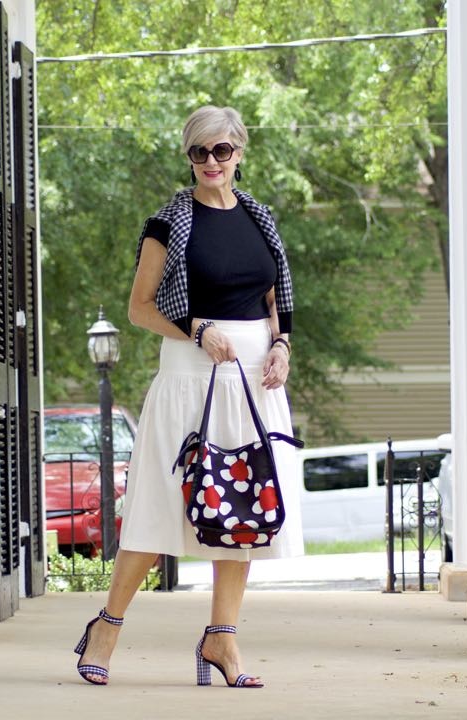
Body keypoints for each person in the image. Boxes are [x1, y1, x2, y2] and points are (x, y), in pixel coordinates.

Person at [73, 105, 302, 689]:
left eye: (221, 151)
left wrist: (281, 346)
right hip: (188, 377)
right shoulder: (168, 223)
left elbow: (273, 300)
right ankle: (107, 625)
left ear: (240, 153)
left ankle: (222, 640)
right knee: (157, 510)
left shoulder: (260, 219)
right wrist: (199, 330)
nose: (210, 163)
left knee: (242, 512)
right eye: (199, 152)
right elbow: (140, 307)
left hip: (254, 381)